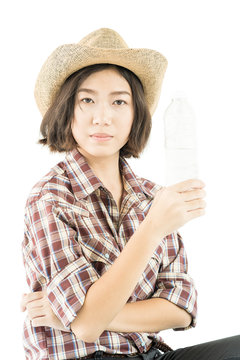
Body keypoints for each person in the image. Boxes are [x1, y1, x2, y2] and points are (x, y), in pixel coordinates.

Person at [20, 28, 240, 360]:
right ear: (67, 111)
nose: (103, 116)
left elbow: (181, 307)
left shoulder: (154, 196)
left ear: (135, 113)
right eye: (87, 99)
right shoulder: (50, 200)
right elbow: (88, 329)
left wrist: (81, 316)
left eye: (119, 101)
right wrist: (152, 227)